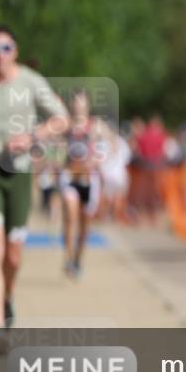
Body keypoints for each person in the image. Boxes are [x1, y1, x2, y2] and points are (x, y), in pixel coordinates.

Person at [0, 25, 69, 355]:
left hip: (19, 170)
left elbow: (61, 119)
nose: (0, 55)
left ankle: (7, 296)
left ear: (17, 50)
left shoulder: (30, 82)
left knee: (13, 253)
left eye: (6, 48)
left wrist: (32, 137)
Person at [58, 90, 108, 279]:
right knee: (70, 216)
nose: (78, 106)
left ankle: (78, 259)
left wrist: (94, 161)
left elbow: (106, 149)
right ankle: (69, 258)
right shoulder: (65, 126)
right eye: (76, 102)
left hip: (89, 179)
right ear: (72, 105)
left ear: (87, 105)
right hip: (70, 176)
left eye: (82, 103)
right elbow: (55, 150)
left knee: (85, 224)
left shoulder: (96, 126)